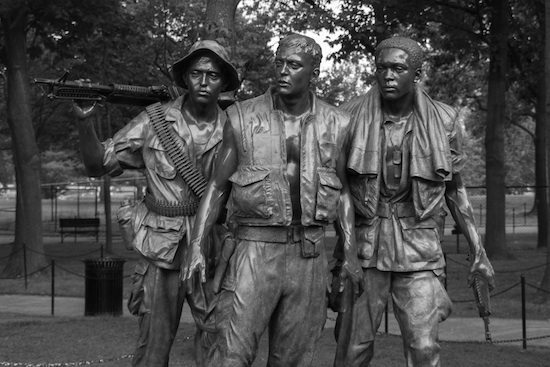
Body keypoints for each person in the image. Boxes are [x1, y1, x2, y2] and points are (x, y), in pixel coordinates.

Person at [181, 33, 364, 367]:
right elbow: (217, 187)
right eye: (278, 63)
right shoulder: (242, 117)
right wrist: (196, 245)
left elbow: (343, 194)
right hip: (254, 250)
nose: (282, 71)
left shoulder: (337, 123)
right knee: (229, 354)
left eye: (293, 65)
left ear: (314, 73)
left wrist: (349, 252)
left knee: (293, 359)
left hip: (309, 255)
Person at [72, 40, 240, 367]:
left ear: (224, 82)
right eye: (195, 73)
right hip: (160, 249)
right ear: (184, 77)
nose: (203, 82)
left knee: (222, 347)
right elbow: (96, 164)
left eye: (212, 75)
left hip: (212, 249)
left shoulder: (237, 127)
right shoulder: (154, 121)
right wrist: (84, 122)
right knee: (152, 351)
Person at [332, 36, 496, 367]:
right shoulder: (347, 117)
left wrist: (478, 249)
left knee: (423, 348)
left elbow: (455, 189)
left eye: (398, 68)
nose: (388, 75)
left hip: (418, 245)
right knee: (352, 349)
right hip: (366, 245)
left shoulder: (444, 120)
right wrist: (347, 253)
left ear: (416, 75)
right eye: (382, 68)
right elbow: (339, 188)